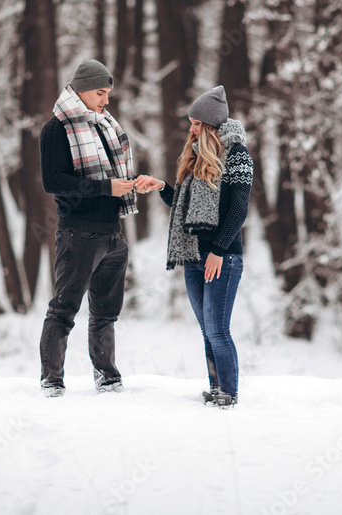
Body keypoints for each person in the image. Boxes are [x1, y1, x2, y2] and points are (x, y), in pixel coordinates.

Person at [135, 86, 253, 408]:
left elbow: (238, 210)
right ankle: (216, 388)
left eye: (196, 123)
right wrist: (162, 187)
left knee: (218, 330)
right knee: (207, 331)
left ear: (211, 124)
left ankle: (229, 392)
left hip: (222, 257)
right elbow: (185, 209)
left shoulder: (238, 155)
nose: (191, 129)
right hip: (193, 256)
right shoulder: (197, 157)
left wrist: (217, 250)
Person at [39, 59, 137, 397]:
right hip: (78, 232)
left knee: (106, 314)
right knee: (64, 309)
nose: (106, 101)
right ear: (81, 90)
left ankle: (107, 377)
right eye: (100, 93)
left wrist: (131, 185)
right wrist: (105, 188)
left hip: (113, 233)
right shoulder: (57, 128)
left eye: (108, 94)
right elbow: (54, 181)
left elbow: (111, 176)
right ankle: (51, 380)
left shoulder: (103, 126)